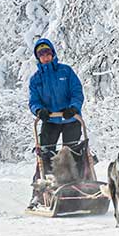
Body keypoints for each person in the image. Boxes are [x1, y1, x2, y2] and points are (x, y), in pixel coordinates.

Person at [27, 39, 85, 206]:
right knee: (45, 155)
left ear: (52, 53)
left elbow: (77, 92)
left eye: (47, 53)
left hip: (70, 118)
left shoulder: (65, 71)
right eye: (41, 54)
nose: (45, 56)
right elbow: (33, 101)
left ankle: (80, 190)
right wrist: (39, 110)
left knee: (73, 153)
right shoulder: (36, 79)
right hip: (50, 120)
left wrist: (73, 108)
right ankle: (38, 194)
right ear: (38, 58)